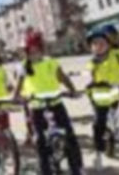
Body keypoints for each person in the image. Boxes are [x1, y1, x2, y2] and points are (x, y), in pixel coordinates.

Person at [16, 31, 83, 175]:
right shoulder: (24, 66)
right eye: (30, 52)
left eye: (37, 50)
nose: (34, 54)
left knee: (69, 135)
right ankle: (45, 170)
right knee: (40, 140)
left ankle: (77, 168)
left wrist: (73, 90)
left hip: (56, 103)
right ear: (27, 53)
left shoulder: (50, 62)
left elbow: (63, 77)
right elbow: (19, 85)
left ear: (42, 49)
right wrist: (17, 97)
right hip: (37, 107)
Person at [85, 29, 119, 170]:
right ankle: (99, 152)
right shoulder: (92, 62)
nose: (99, 46)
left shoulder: (116, 55)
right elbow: (89, 74)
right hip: (101, 96)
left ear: (109, 44)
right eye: (95, 44)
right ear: (91, 48)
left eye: (102, 42)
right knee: (99, 123)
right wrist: (91, 81)